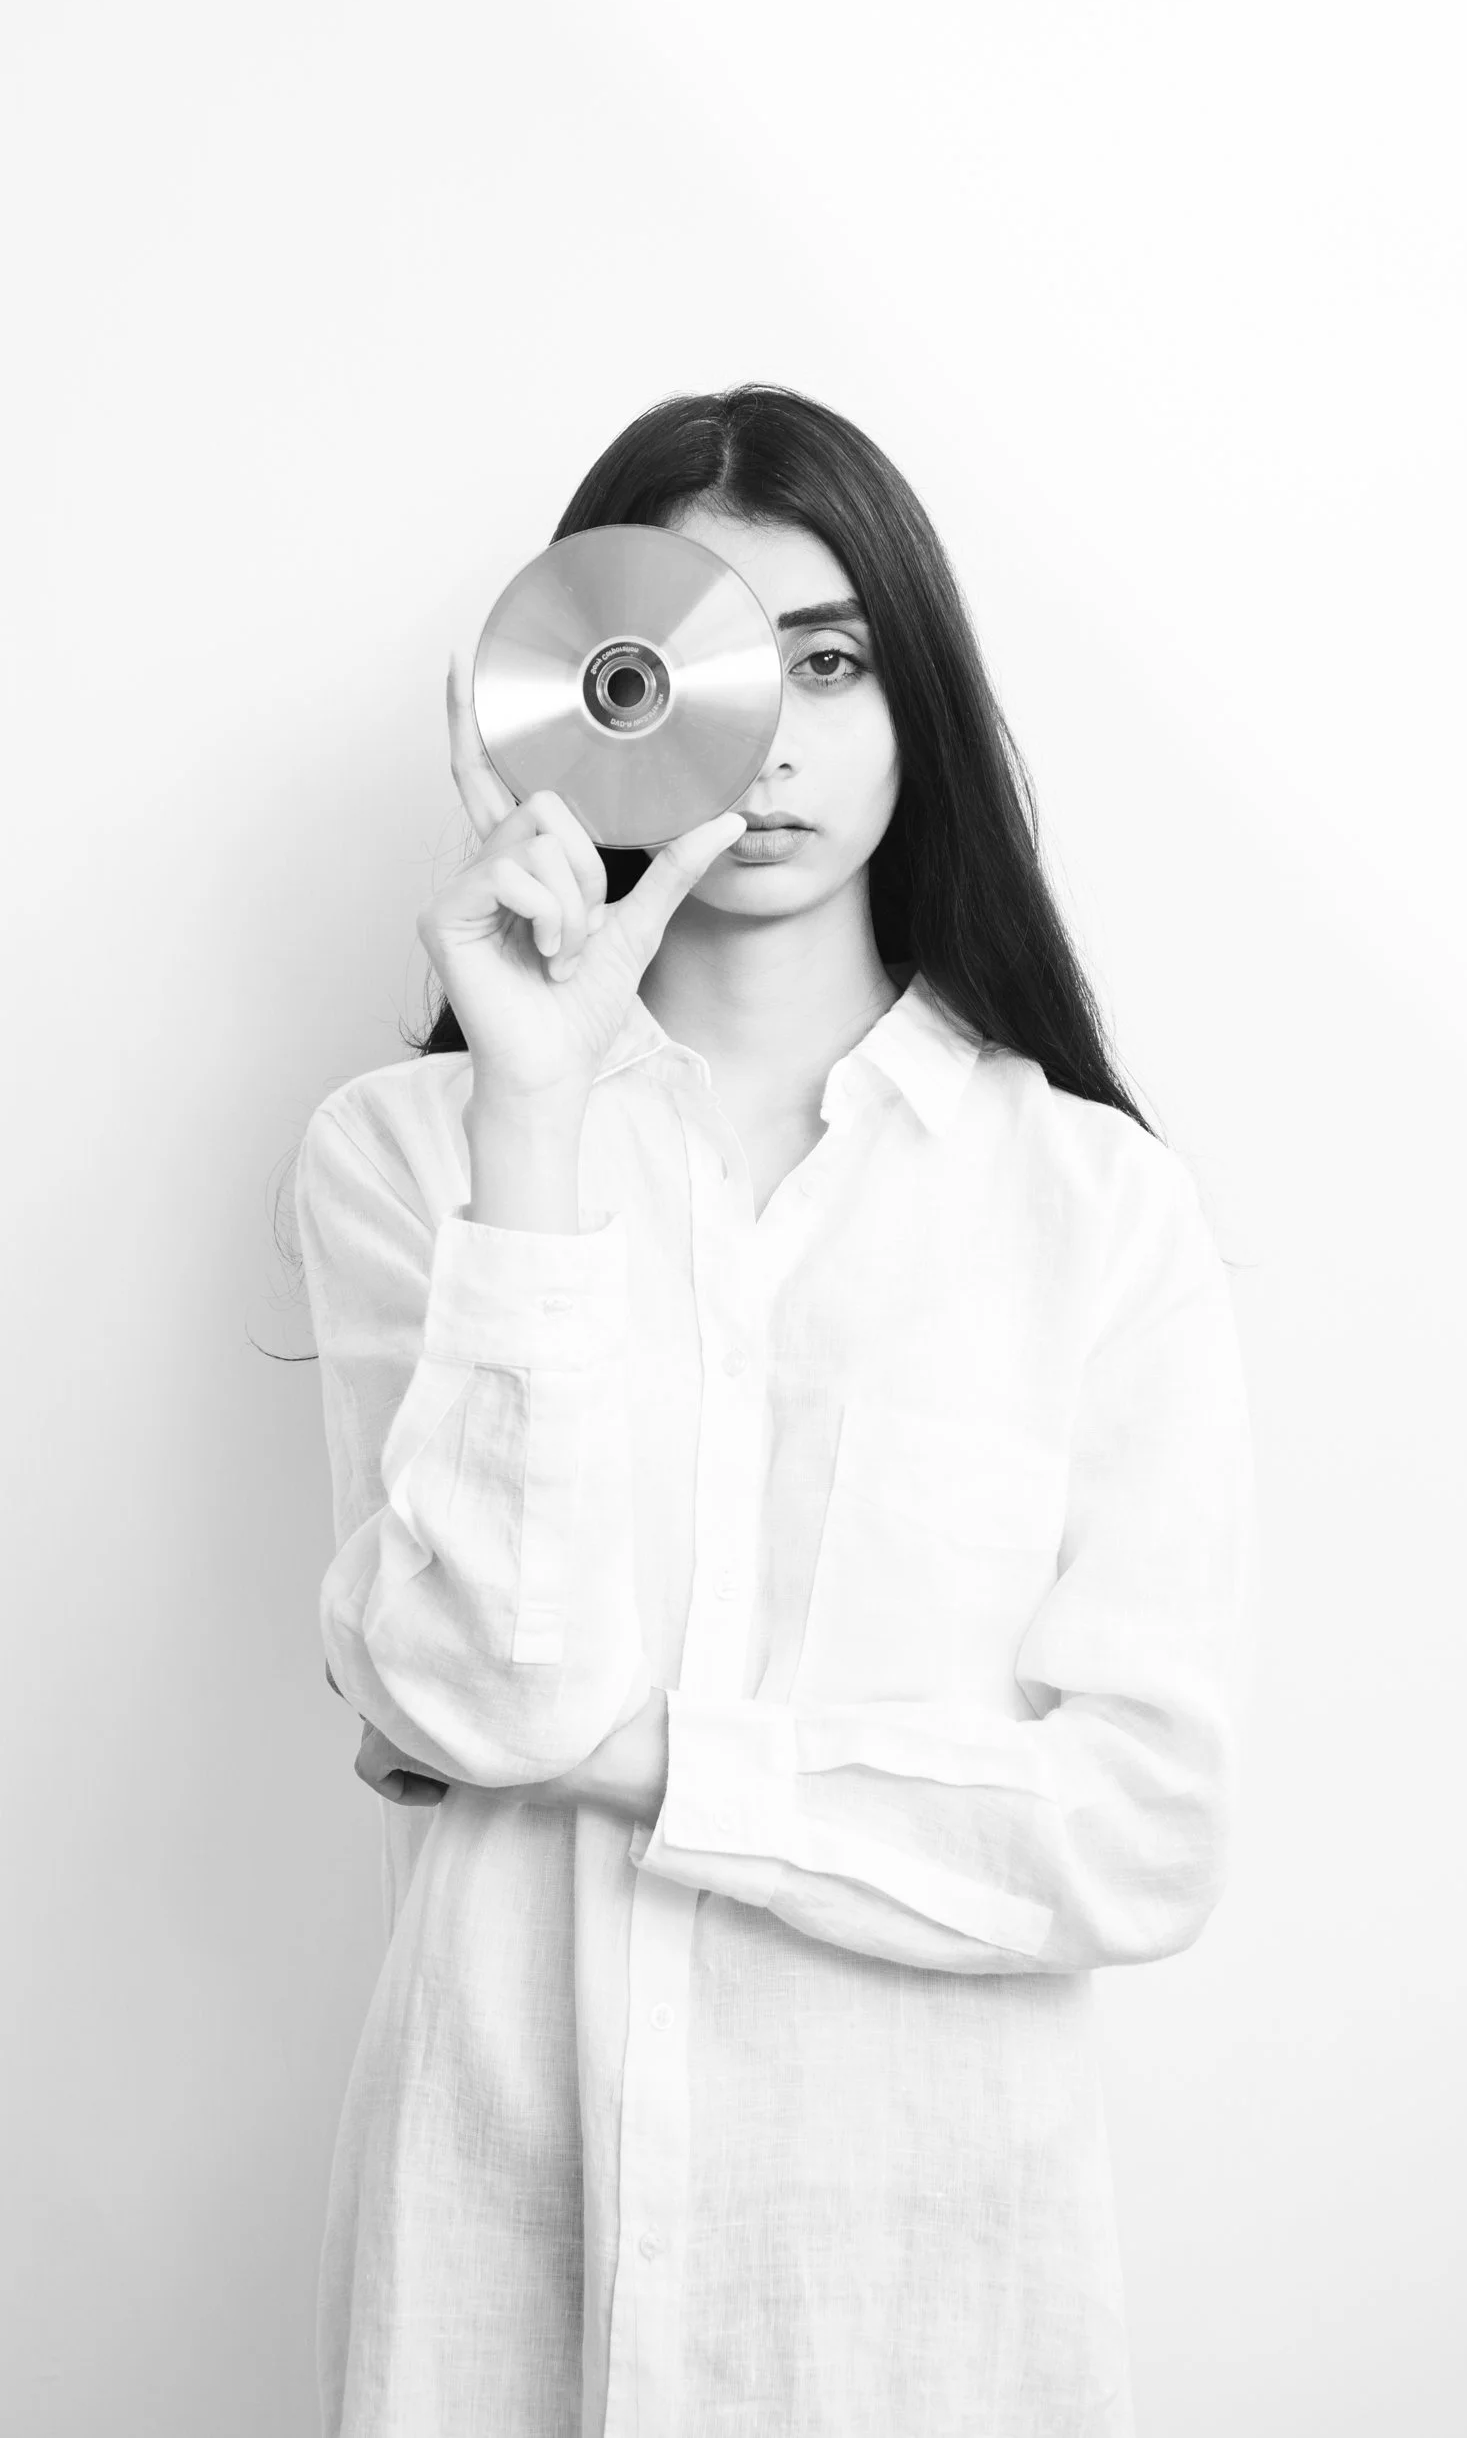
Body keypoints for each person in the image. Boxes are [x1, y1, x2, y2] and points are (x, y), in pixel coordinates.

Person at [294, 382, 1258, 2438]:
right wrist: (537, 1111)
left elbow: (1139, 1831)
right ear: (592, 698)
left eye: (828, 660)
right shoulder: (409, 1153)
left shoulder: (1093, 1209)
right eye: (700, 663)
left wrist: (638, 1760)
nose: (777, 736)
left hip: (923, 2306)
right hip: (497, 2275)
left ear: (923, 701)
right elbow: (489, 1677)